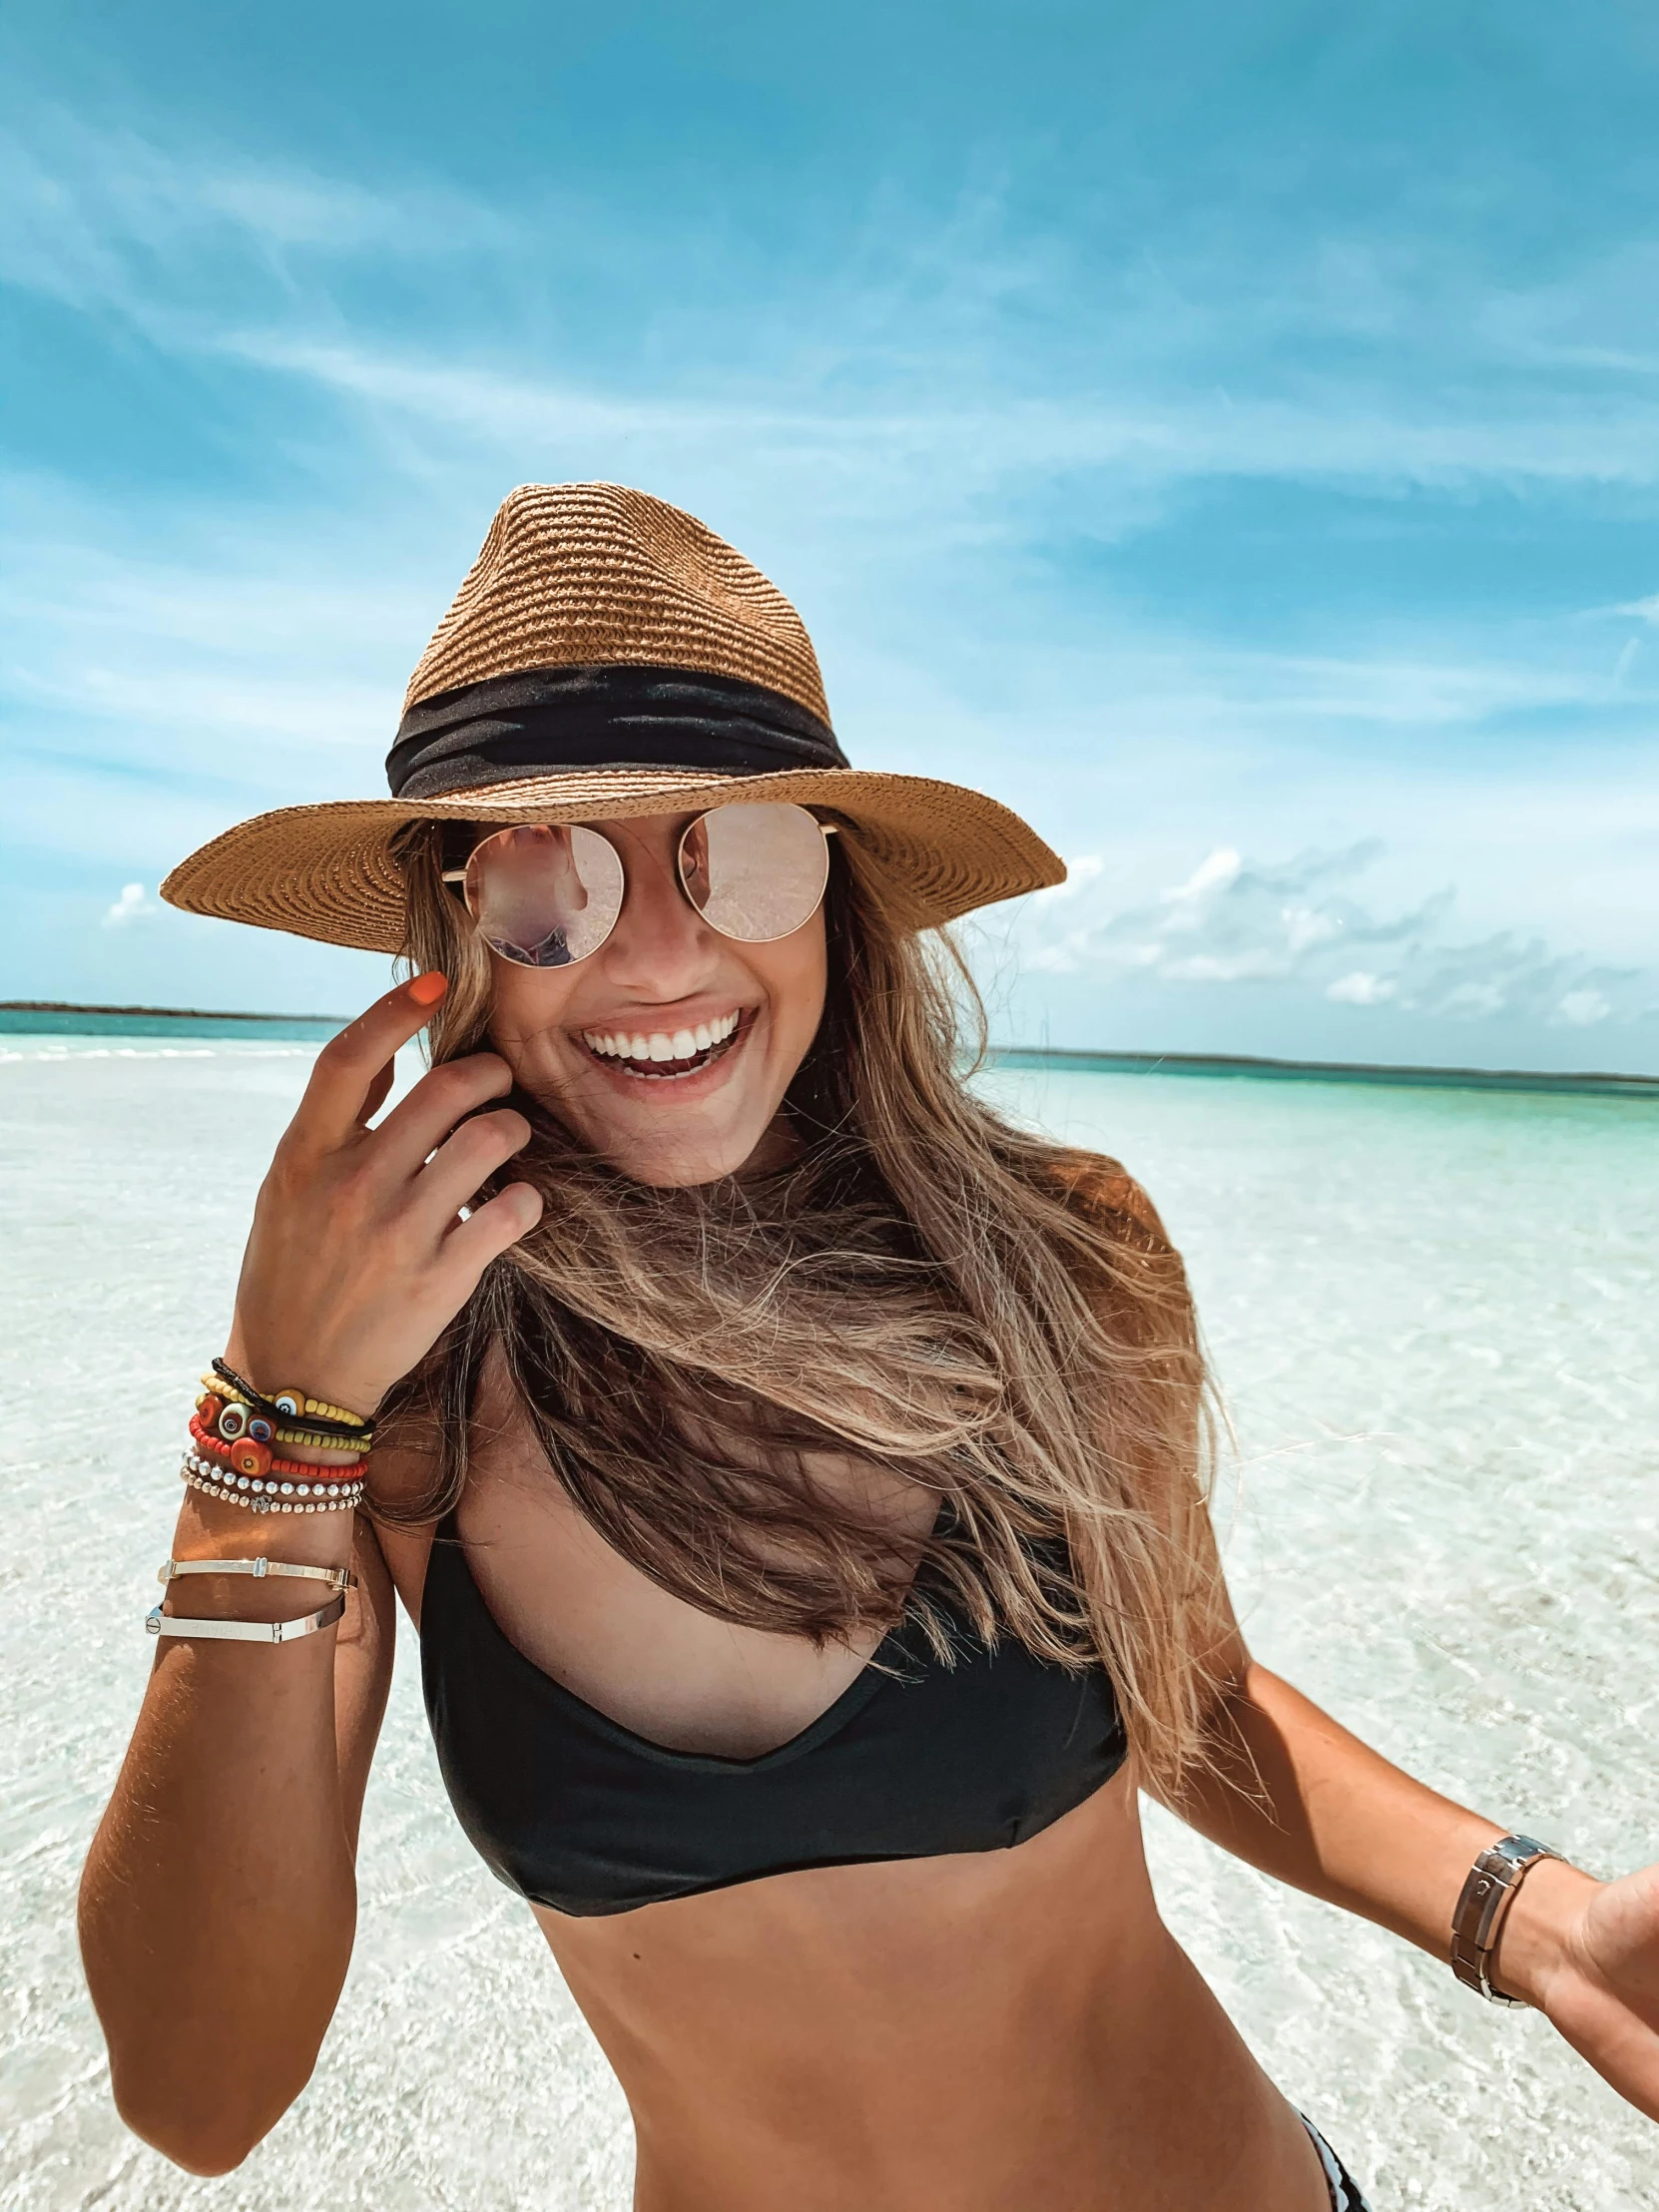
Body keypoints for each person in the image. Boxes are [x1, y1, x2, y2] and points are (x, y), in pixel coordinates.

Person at [80, 484, 1659, 2211]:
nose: (662, 953)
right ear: (453, 935)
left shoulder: (1063, 1260)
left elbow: (1188, 1695)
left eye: (736, 852)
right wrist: (272, 1412)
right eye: (552, 878)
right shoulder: (393, 1399)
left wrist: (1534, 1920)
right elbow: (198, 2094)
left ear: (837, 894)